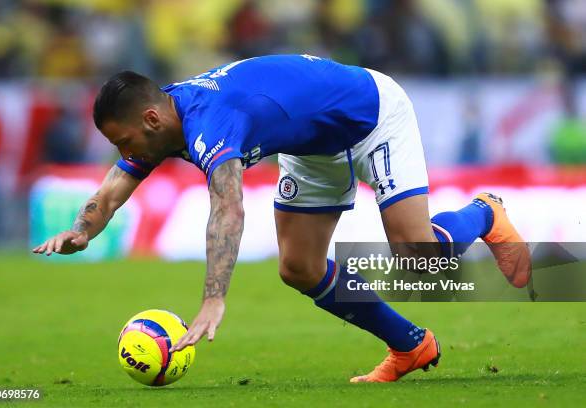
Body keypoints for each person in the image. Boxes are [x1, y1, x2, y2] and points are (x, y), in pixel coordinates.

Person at [32, 55, 530, 382]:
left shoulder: (210, 121)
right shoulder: (163, 120)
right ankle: (410, 345)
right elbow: (114, 187)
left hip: (370, 117)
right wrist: (82, 231)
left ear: (151, 120)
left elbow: (227, 206)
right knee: (299, 267)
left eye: (123, 141)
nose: (124, 152)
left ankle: (485, 212)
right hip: (310, 146)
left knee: (417, 258)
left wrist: (212, 299)